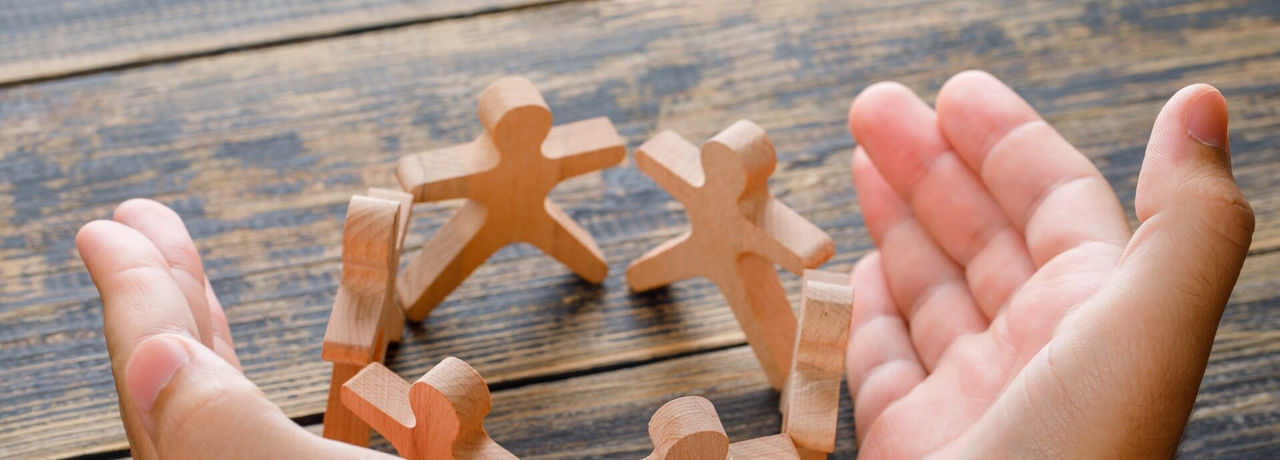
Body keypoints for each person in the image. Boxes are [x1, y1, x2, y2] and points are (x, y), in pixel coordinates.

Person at [76, 71, 1253, 459]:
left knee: (750, 310)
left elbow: (787, 242)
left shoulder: (690, 192)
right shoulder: (521, 159)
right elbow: (468, 175)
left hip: (707, 249)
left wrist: (767, 238)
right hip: (601, 228)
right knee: (479, 258)